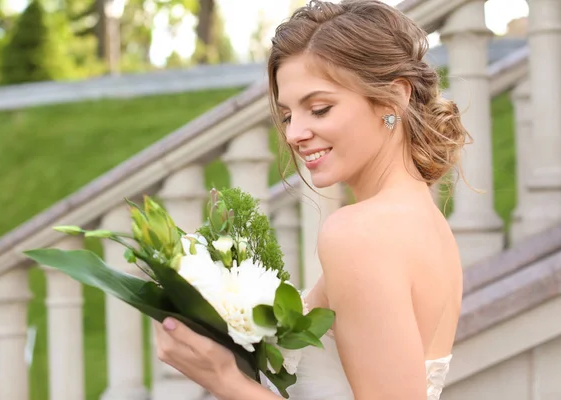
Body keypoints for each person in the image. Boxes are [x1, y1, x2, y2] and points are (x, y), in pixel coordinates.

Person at [153, 0, 467, 398]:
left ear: (393, 99)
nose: (293, 134)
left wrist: (225, 380)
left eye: (319, 109)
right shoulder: (426, 223)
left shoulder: (359, 233)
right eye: (287, 116)